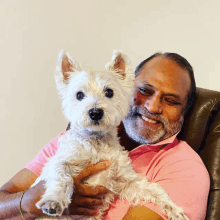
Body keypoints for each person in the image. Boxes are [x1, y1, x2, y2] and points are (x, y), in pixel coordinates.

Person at [0, 52, 210, 220]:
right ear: (128, 89)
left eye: (171, 101)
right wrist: (29, 202)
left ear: (185, 111)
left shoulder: (184, 167)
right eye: (145, 90)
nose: (153, 107)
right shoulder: (65, 141)